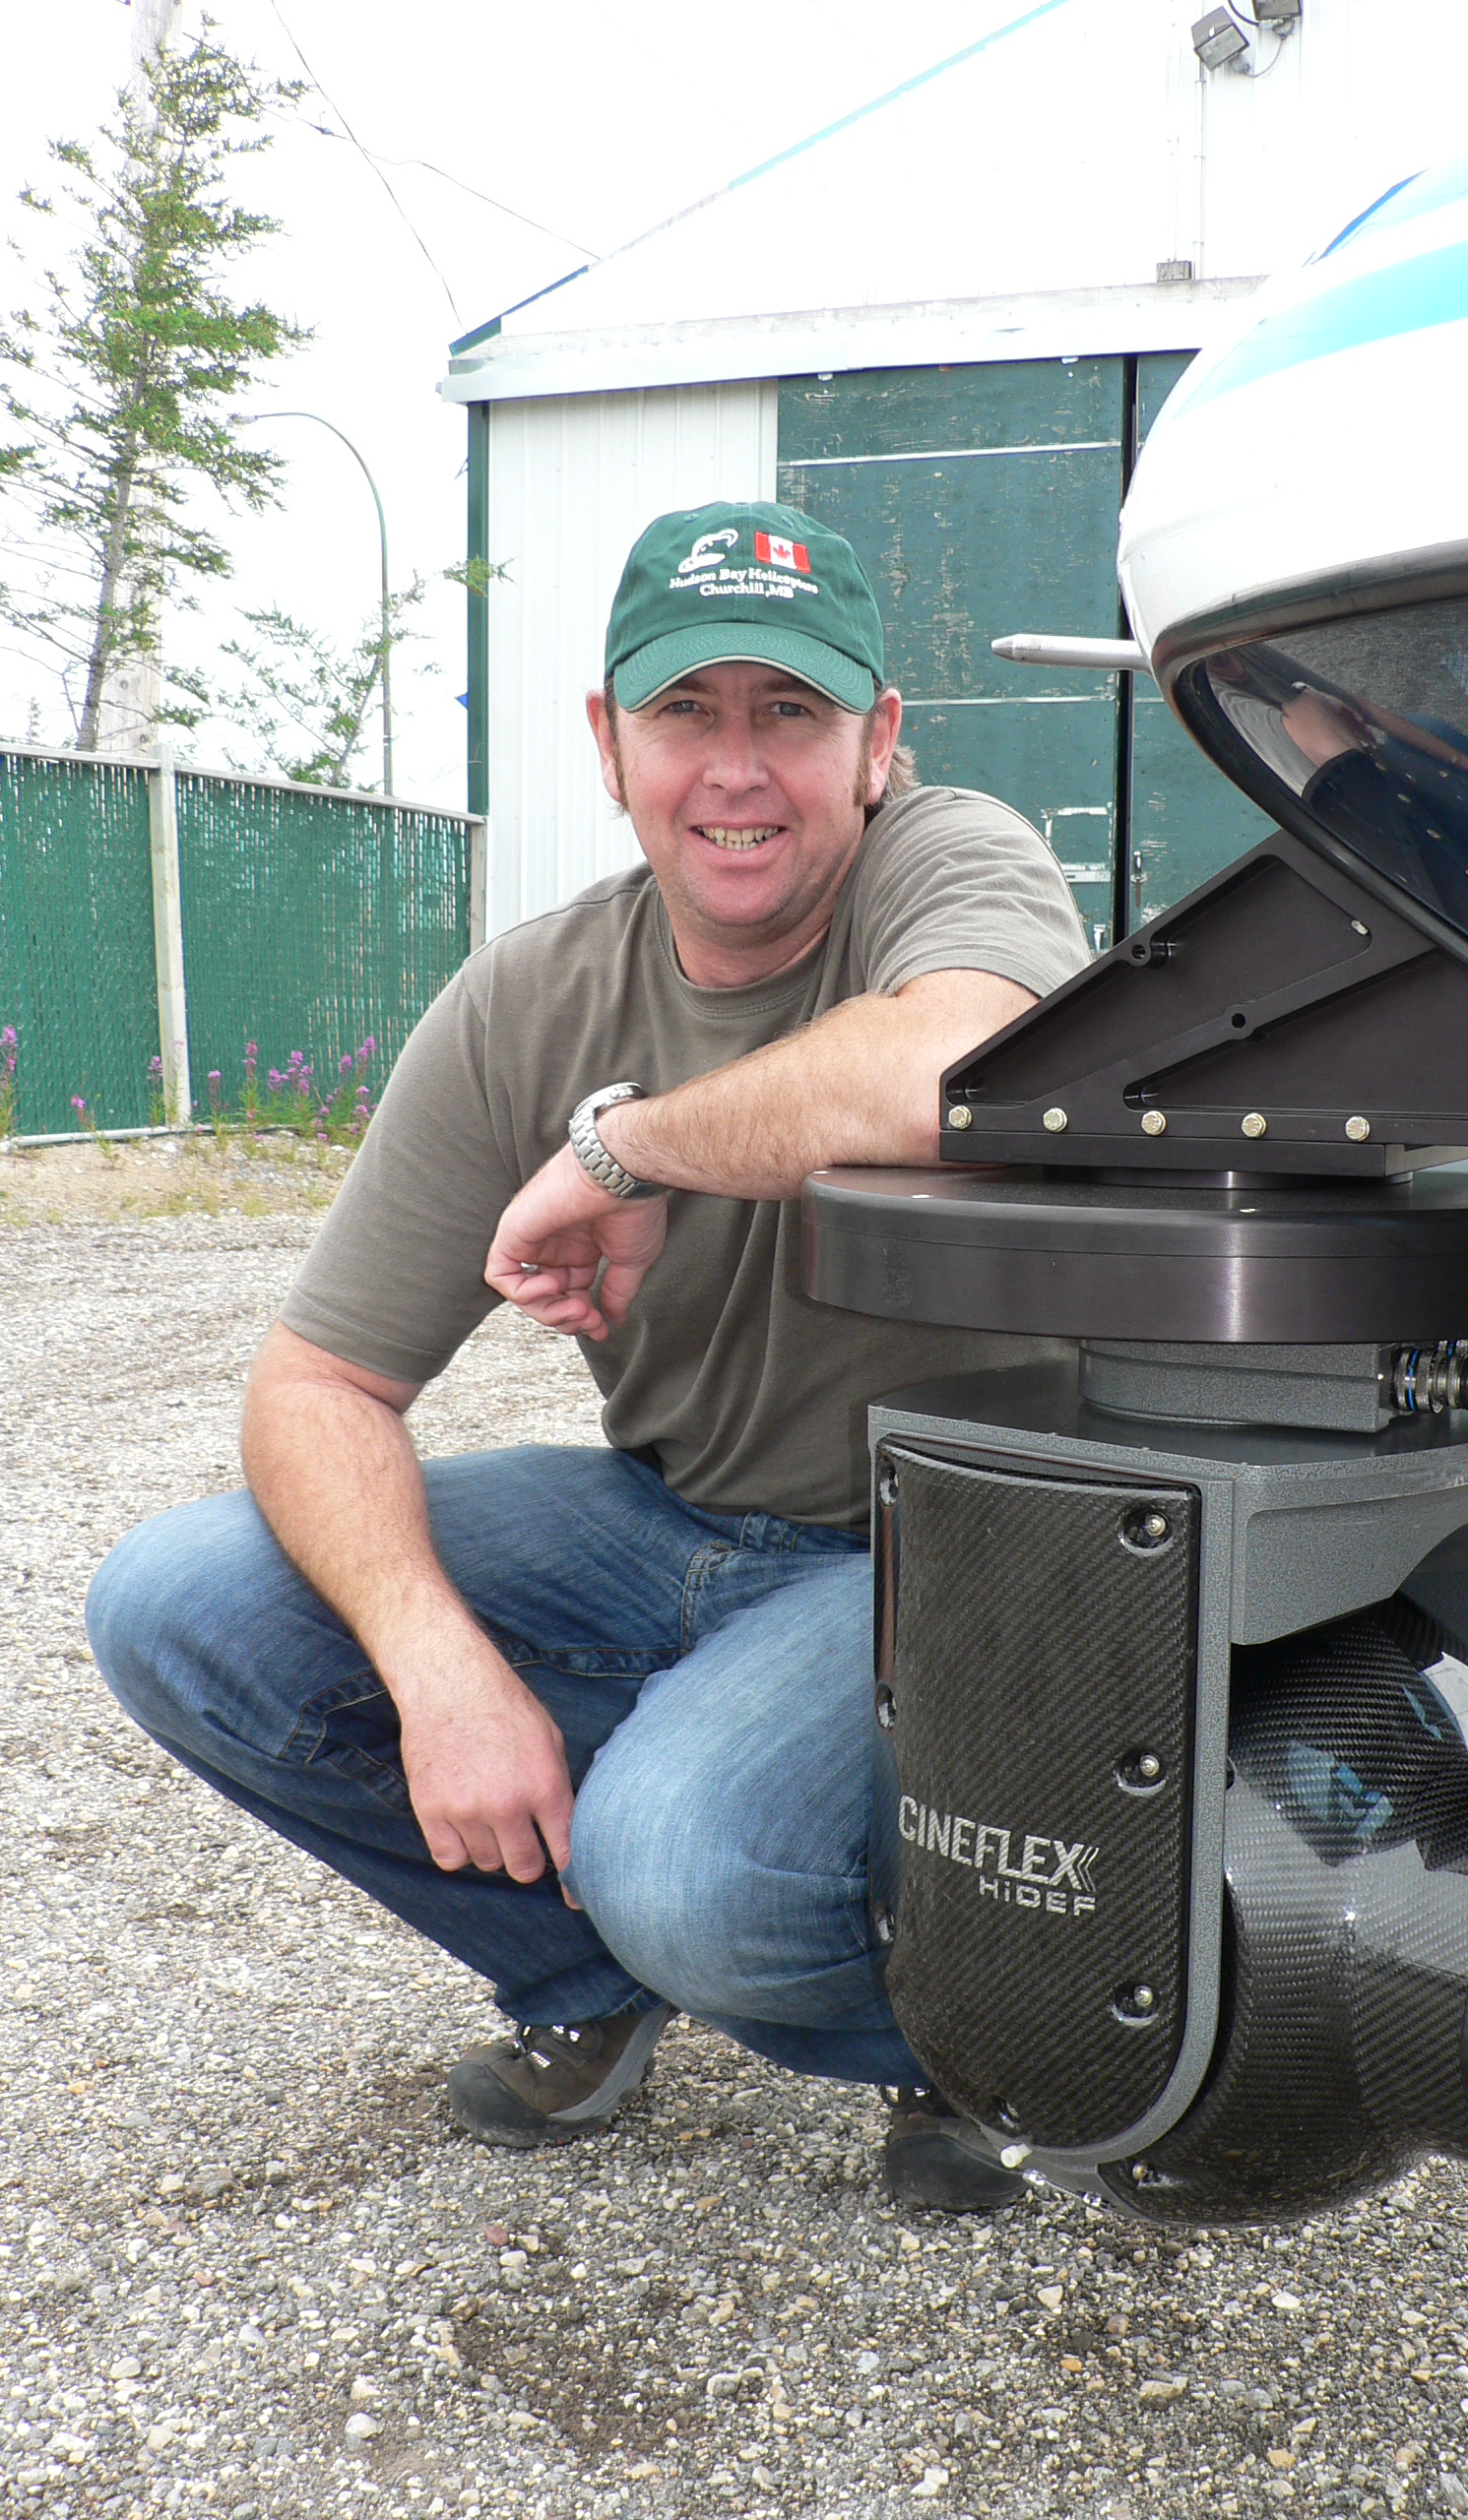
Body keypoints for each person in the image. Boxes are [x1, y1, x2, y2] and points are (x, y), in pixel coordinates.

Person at [88, 500, 1091, 2210]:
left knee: (689, 1865)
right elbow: (315, 1385)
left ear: (880, 745)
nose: (738, 770)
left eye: (794, 712)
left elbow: (957, 1077)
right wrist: (442, 1671)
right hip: (681, 1525)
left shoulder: (954, 862)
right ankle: (586, 1980)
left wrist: (630, 1150)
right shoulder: (528, 995)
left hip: (967, 1549)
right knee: (173, 1605)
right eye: (687, 711)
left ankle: (1005, 2037)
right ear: (608, 740)